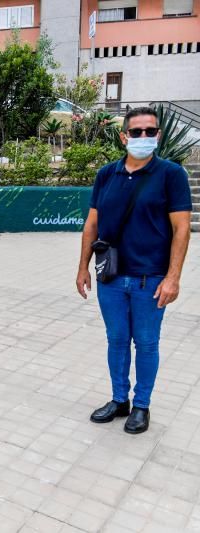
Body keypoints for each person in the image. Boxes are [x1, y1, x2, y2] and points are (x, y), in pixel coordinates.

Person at [77, 107, 192, 434]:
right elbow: (92, 225)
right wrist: (82, 268)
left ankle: (141, 405)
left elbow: (181, 229)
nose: (144, 137)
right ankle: (118, 399)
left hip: (150, 280)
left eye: (150, 131)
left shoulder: (171, 175)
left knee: (146, 342)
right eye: (136, 132)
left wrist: (173, 277)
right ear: (123, 136)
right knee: (116, 340)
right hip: (110, 278)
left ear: (158, 135)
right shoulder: (106, 175)